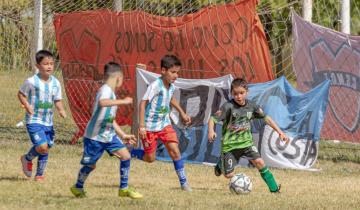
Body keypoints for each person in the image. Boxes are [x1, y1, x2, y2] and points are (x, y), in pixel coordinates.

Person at [70, 62, 142, 199]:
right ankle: (78, 187)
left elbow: (110, 118)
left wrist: (123, 134)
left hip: (108, 135)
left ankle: (124, 188)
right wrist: (124, 102)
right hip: (95, 137)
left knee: (126, 156)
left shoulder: (111, 94)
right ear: (118, 78)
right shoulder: (105, 90)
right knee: (91, 166)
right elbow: (102, 103)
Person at [208, 78, 289, 193]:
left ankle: (275, 190)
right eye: (235, 94)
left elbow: (266, 118)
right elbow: (212, 119)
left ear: (247, 92)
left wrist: (280, 132)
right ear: (232, 93)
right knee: (229, 175)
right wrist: (211, 131)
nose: (239, 96)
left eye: (241, 93)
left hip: (247, 144)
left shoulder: (252, 106)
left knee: (260, 163)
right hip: (230, 146)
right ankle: (221, 165)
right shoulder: (228, 107)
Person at [131, 55, 192, 192]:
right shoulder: (155, 85)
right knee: (150, 158)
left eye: (177, 72)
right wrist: (141, 126)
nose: (176, 75)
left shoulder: (171, 86)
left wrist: (182, 113)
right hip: (149, 127)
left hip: (164, 124)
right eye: (173, 72)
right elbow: (142, 104)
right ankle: (130, 151)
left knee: (175, 151)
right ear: (163, 70)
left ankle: (184, 183)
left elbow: (170, 99)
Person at [18, 50, 67, 181]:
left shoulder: (56, 83)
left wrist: (61, 110)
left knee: (46, 148)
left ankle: (38, 173)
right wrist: (27, 105)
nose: (49, 66)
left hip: (48, 122)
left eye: (51, 63)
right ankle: (29, 161)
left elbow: (57, 100)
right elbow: (21, 94)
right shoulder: (31, 81)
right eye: (45, 64)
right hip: (33, 120)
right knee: (42, 146)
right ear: (38, 66)